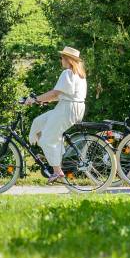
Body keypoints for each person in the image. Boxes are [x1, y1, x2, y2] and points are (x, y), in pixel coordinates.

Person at [23, 46, 88, 183]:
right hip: (71, 107)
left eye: (62, 58)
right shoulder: (79, 75)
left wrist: (35, 99)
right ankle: (52, 151)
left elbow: (55, 93)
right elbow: (62, 95)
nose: (61, 60)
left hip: (67, 109)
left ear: (68, 59)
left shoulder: (67, 73)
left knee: (47, 138)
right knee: (37, 123)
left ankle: (57, 171)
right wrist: (42, 101)